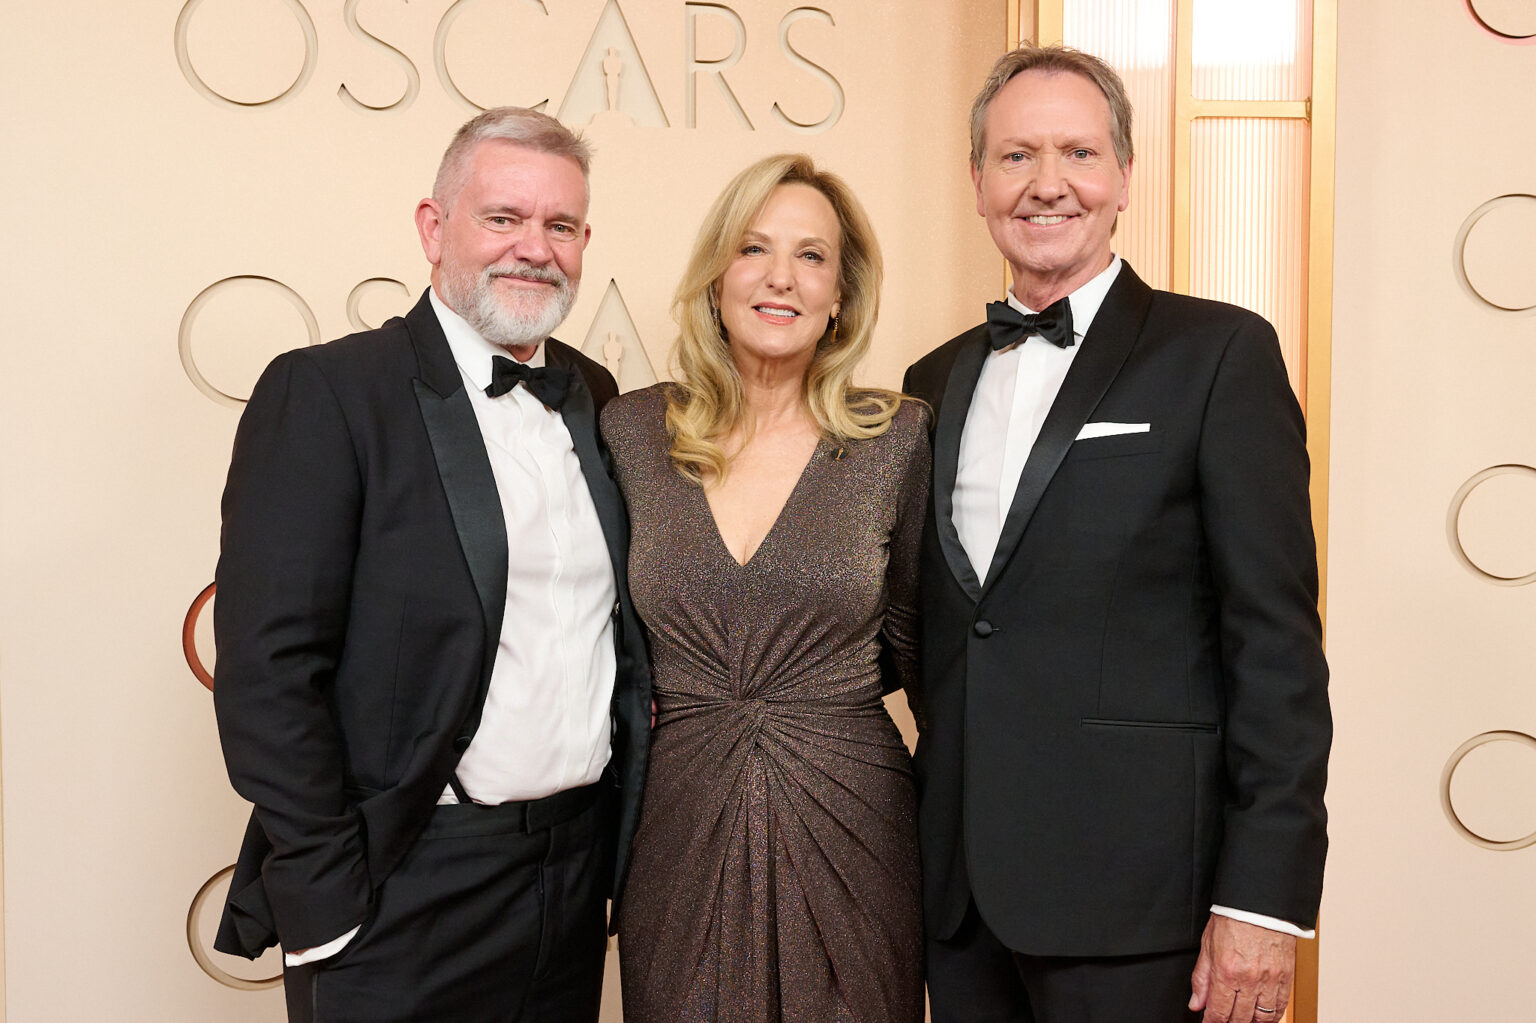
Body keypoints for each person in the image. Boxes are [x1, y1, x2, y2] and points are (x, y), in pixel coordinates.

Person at [903, 45, 1331, 1023]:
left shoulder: (1220, 354)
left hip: (1143, 902)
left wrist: (1262, 897)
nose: (1047, 184)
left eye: (1078, 154)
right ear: (977, 182)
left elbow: (1276, 649)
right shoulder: (930, 384)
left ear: (1124, 176)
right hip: (962, 903)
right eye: (1015, 157)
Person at [211, 106, 651, 1023]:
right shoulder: (329, 392)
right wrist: (330, 902)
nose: (534, 248)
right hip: (403, 884)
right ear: (433, 225)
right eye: (503, 218)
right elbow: (267, 671)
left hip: (570, 883)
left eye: (559, 226)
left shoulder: (592, 396)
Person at [600, 153, 927, 1022]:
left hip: (855, 820)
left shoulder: (897, 439)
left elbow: (922, 646)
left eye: (812, 256)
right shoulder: (630, 431)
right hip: (677, 819)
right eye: (755, 248)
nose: (782, 277)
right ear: (717, 278)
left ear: (841, 296)